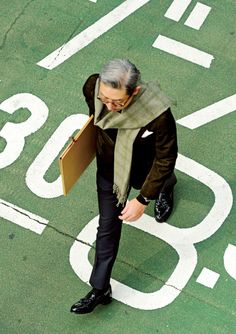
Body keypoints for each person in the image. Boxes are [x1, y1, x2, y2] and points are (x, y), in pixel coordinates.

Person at [70, 59, 178, 314]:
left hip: (143, 166)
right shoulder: (91, 87)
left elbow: (166, 157)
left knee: (161, 177)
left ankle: (166, 187)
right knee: (107, 226)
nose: (109, 106)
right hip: (110, 171)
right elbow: (93, 117)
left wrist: (142, 200)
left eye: (118, 102)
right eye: (104, 98)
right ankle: (100, 289)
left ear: (136, 92)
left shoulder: (158, 114)